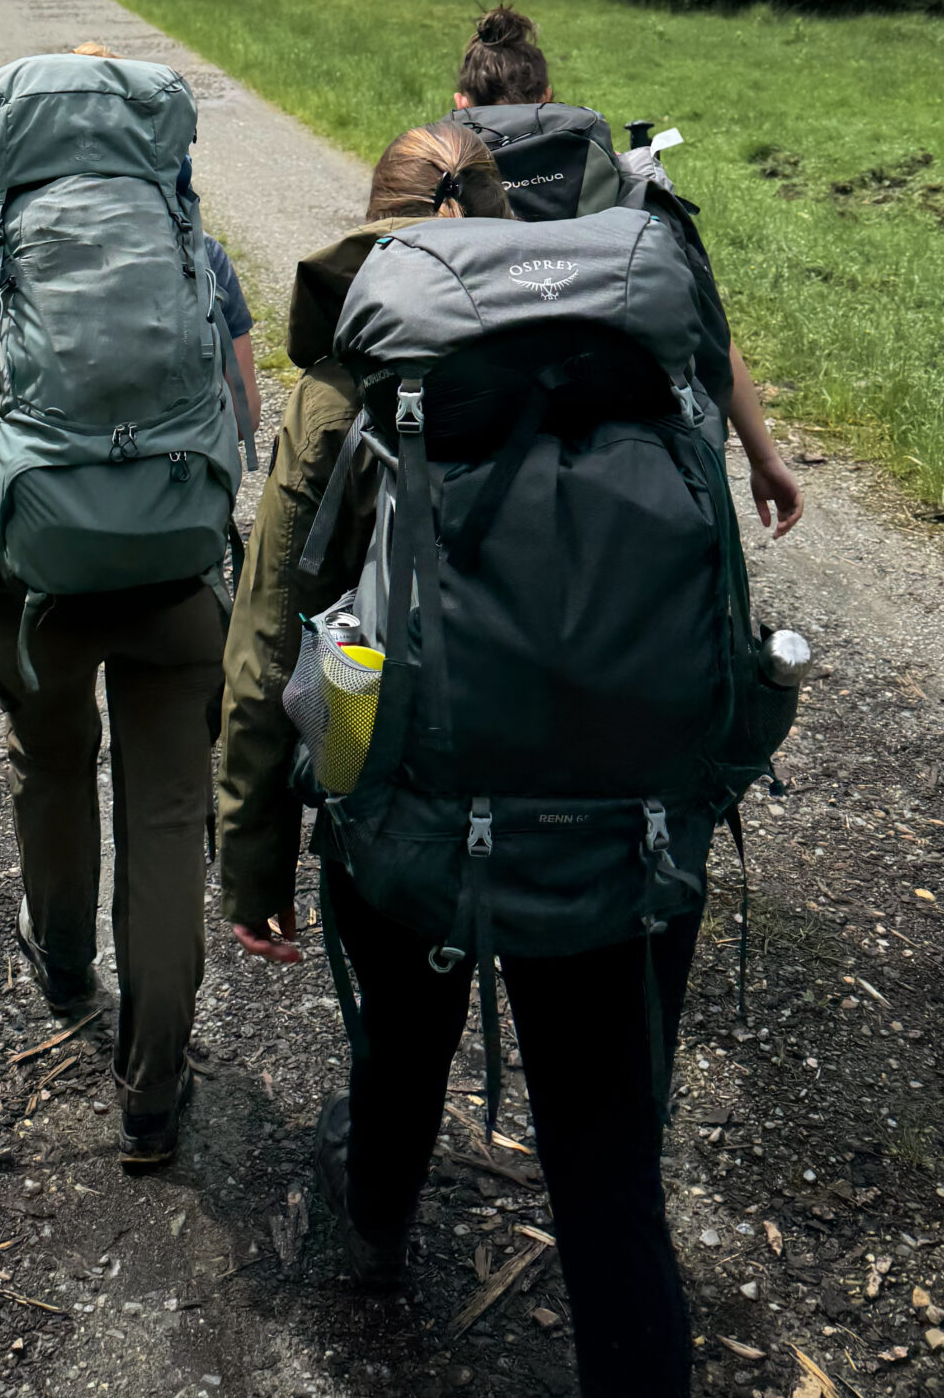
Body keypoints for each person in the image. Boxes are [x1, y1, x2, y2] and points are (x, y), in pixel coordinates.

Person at [214, 119, 755, 1394]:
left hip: (414, 821)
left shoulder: (350, 384)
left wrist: (254, 858)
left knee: (398, 1059)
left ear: (379, 229)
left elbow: (266, 638)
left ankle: (375, 1245)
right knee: (611, 1163)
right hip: (628, 832)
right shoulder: (633, 356)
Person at [0, 42, 256, 1169]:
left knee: (54, 759)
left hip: (44, 581)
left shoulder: (0, 248)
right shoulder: (190, 247)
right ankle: (156, 1088)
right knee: (169, 816)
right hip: (175, 567)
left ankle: (67, 962)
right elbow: (244, 419)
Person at [451, 3, 803, 542]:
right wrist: (764, 459)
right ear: (548, 95)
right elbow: (709, 333)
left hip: (468, 433)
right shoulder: (630, 190)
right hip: (629, 437)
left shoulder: (434, 190)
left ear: (460, 105)